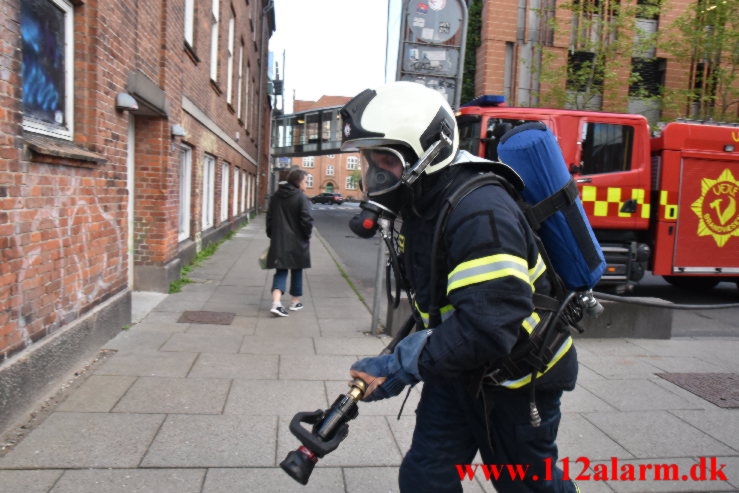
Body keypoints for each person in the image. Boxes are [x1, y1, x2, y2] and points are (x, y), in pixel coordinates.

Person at [340, 82, 580, 492]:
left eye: (386, 161)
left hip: (516, 379)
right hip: (458, 372)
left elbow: (490, 325)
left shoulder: (480, 211)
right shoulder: (425, 203)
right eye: (370, 161)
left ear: (428, 152)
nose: (376, 174)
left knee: (528, 487)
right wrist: (399, 359)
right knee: (425, 479)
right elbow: (440, 307)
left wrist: (399, 366)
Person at [265, 167, 313, 317]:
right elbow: (307, 220)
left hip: (279, 240)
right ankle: (292, 302)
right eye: (306, 181)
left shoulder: (275, 196)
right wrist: (307, 235)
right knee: (297, 268)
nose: (307, 184)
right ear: (298, 182)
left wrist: (273, 235)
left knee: (281, 269)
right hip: (297, 241)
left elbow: (270, 219)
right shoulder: (301, 198)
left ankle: (278, 302)